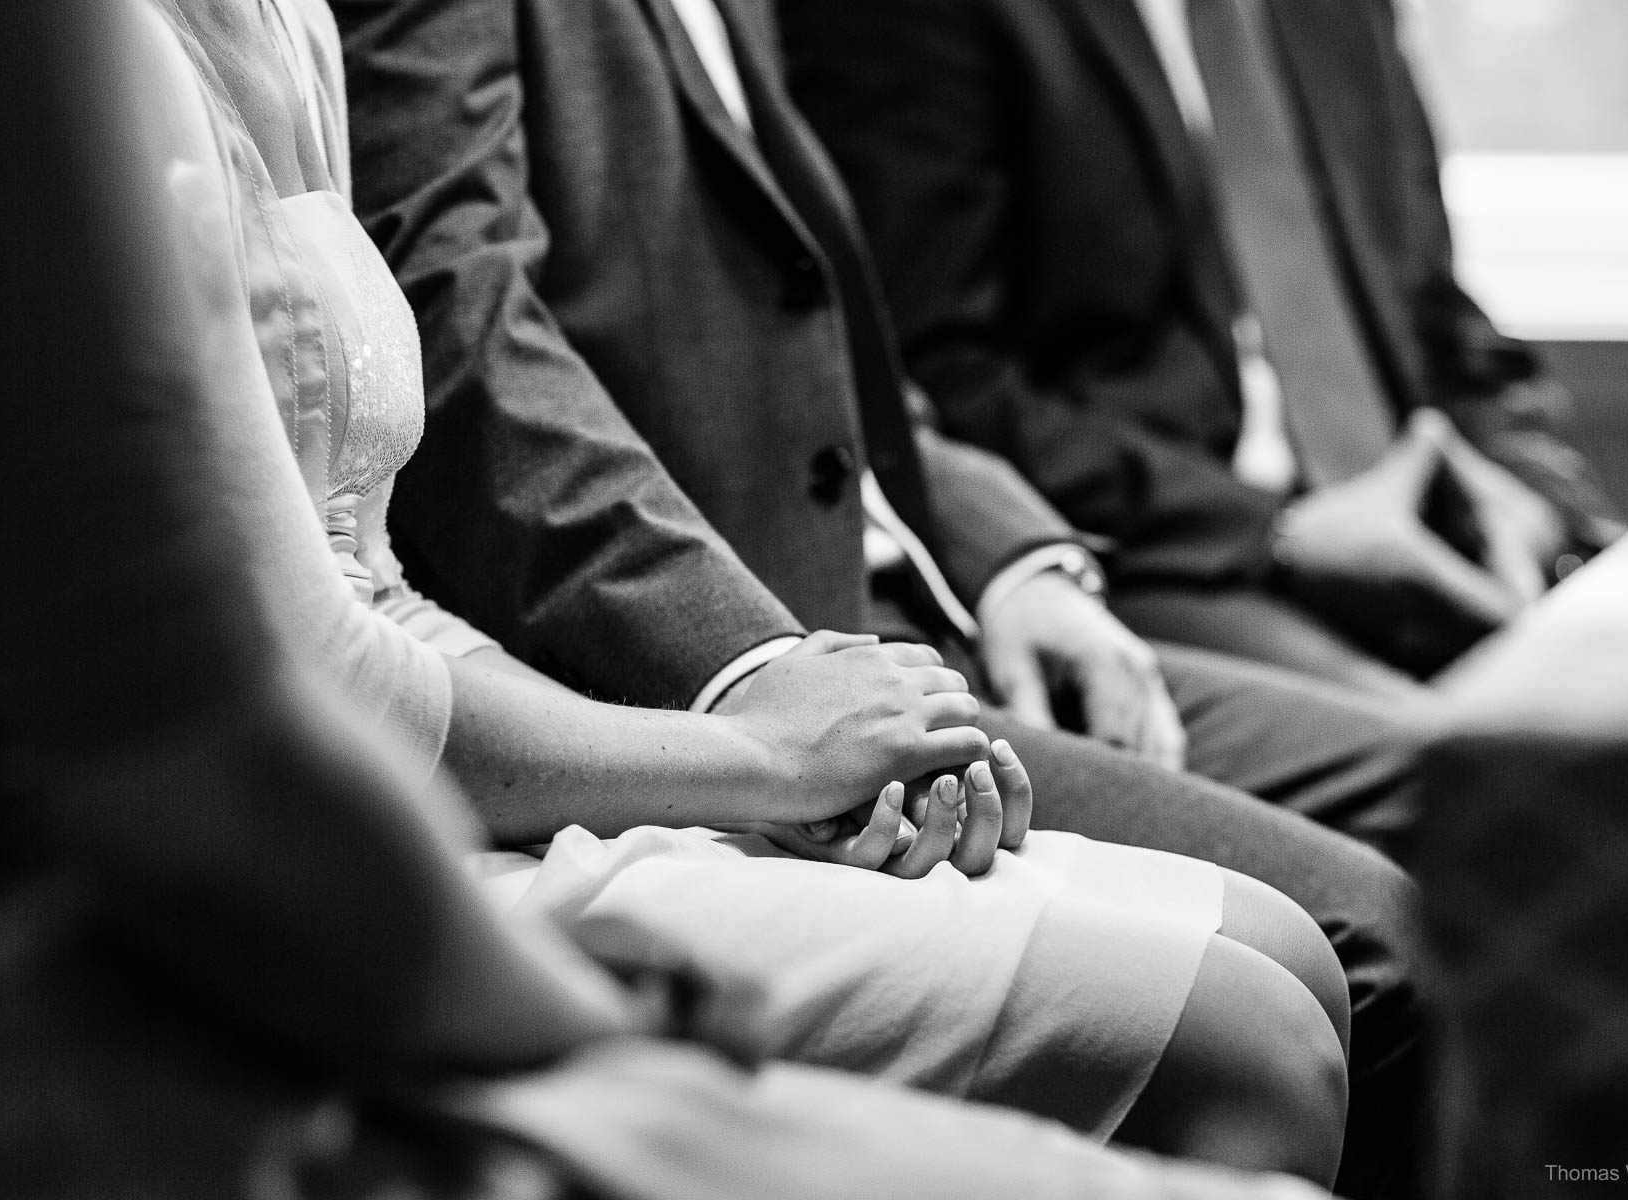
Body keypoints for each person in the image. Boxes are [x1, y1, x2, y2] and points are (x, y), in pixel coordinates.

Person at [0, 3, 1339, 1196]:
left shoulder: (276, 20)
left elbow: (375, 580)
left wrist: (772, 741)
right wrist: (740, 767)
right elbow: (218, 749)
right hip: (100, 956)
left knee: (1288, 958)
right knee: (1250, 1037)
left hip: (389, 784)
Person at [332, 0, 1428, 1195]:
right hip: (752, 643)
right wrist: (762, 677)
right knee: (1367, 943)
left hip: (928, 605)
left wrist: (1015, 557)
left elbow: (834, 354)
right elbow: (464, 340)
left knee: (1431, 810)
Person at [779, 0, 1626, 697]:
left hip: (1427, 518)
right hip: (1175, 551)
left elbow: (1433, 308)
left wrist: (1537, 498)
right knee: (1474, 773)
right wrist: (1280, 532)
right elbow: (934, 387)